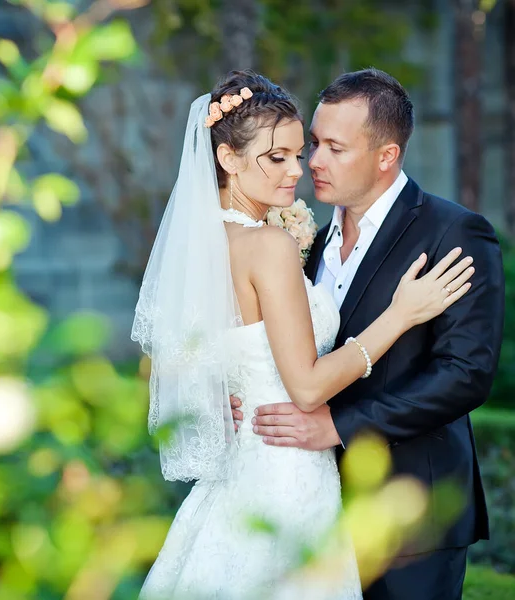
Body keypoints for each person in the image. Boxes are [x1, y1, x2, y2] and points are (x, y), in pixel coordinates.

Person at [132, 69, 474, 600]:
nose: (301, 169)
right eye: (280, 157)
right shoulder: (272, 245)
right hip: (286, 475)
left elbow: (166, 360)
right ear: (227, 159)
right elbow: (308, 388)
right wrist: (400, 315)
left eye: (305, 150)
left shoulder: (206, 243)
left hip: (248, 470)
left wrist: (215, 396)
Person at [242, 68, 505, 600]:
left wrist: (338, 426)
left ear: (386, 156)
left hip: (413, 513)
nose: (312, 160)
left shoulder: (453, 232)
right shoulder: (306, 240)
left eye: (334, 148)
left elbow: (465, 375)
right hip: (313, 505)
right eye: (314, 142)